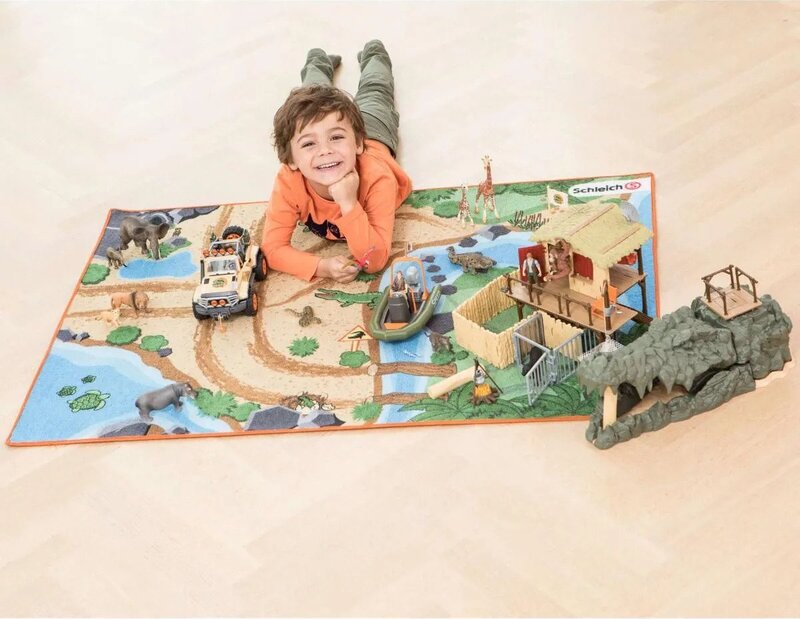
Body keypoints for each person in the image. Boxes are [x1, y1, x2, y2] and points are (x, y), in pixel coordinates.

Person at [261, 40, 412, 283]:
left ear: (357, 144)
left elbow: (375, 260)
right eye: (308, 144)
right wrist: (322, 267)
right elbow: (271, 248)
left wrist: (349, 203)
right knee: (311, 96)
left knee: (375, 90)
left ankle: (374, 54)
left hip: (374, 132)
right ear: (290, 160)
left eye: (335, 139)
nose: (325, 151)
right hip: (342, 127)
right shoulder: (289, 179)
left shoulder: (377, 178)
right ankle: (318, 60)